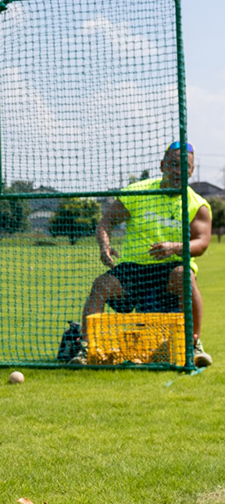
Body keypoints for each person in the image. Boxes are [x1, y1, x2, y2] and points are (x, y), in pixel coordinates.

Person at [77, 141, 212, 367]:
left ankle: (193, 346)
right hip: (134, 269)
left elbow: (202, 243)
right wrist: (105, 245)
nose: (178, 171)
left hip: (171, 268)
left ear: (191, 170)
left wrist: (175, 247)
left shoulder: (197, 204)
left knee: (185, 277)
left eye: (184, 166)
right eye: (172, 164)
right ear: (162, 166)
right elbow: (105, 222)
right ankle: (87, 350)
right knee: (101, 285)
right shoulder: (138, 192)